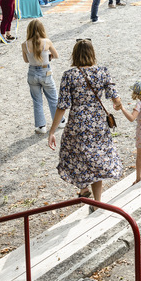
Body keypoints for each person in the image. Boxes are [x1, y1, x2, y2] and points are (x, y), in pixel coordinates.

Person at [48, 39, 124, 203]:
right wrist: (118, 104)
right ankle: (97, 201)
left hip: (78, 122)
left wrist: (52, 130)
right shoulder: (102, 72)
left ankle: (83, 187)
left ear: (74, 54)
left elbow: (62, 106)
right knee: (96, 158)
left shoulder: (69, 75)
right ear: (92, 54)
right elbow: (115, 97)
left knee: (74, 154)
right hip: (97, 122)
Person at [21, 20, 61, 134]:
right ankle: (59, 121)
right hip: (45, 71)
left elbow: (26, 60)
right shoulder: (46, 42)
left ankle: (41, 126)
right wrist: (48, 55)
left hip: (32, 72)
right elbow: (57, 55)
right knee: (53, 98)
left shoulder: (24, 44)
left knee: (37, 101)